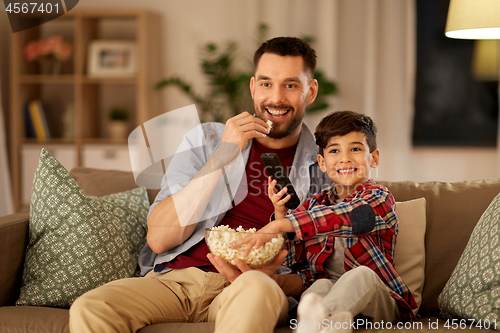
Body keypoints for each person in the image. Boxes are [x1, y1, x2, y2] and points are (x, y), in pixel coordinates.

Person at [68, 37, 333, 333]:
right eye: (266, 83)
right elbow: (159, 239)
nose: (276, 98)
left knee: (256, 290)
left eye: (291, 85)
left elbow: (328, 269)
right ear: (253, 87)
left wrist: (276, 280)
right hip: (177, 282)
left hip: (249, 285)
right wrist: (222, 155)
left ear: (310, 92)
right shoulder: (206, 140)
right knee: (91, 307)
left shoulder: (328, 166)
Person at [237, 111, 417, 332]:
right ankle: (322, 324)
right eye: (334, 151)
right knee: (320, 285)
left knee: (360, 275)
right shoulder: (315, 203)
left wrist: (279, 225)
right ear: (322, 162)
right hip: (334, 296)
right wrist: (280, 212)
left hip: (379, 301)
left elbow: (346, 216)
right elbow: (293, 259)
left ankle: (317, 321)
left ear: (375, 157)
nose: (345, 158)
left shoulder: (379, 197)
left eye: (356, 149)